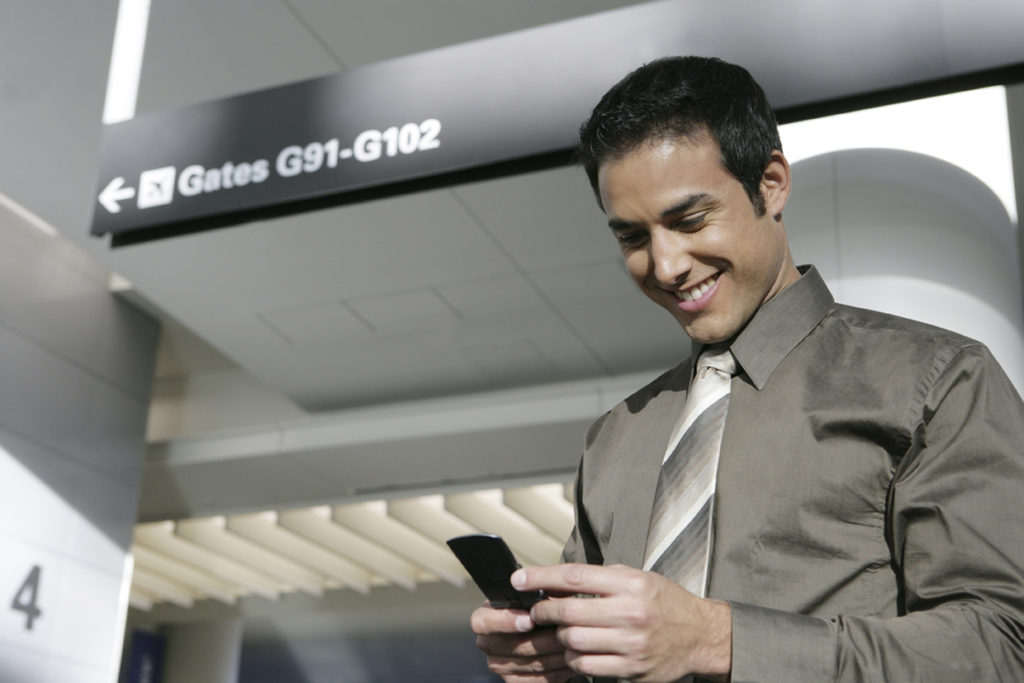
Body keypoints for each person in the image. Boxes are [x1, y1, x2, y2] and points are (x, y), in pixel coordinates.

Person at [469, 56, 1024, 682]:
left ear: (772, 183)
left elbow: (1003, 645)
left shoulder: (938, 381)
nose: (666, 264)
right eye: (632, 237)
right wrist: (559, 660)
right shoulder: (615, 438)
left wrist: (718, 641)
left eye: (689, 220)